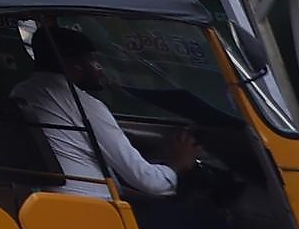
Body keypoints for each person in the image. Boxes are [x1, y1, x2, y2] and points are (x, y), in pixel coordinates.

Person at [14, 18, 183, 201]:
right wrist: (177, 163)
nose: (99, 68)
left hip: (46, 199)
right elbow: (148, 181)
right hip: (94, 206)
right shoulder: (84, 105)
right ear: (74, 65)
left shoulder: (20, 92)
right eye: (92, 60)